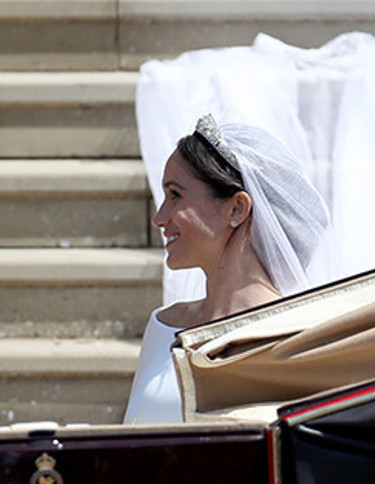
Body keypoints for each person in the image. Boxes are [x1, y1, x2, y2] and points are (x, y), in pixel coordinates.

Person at [124, 114, 333, 424]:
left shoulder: (295, 337)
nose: (159, 217)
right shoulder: (163, 327)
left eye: (175, 195)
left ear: (237, 208)